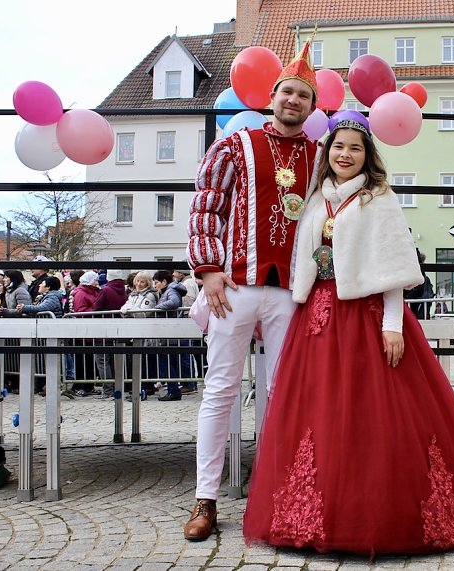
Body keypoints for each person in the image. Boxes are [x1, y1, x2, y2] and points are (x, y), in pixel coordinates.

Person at [242, 115, 454, 554]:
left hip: (367, 316)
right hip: (318, 315)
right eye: (338, 147)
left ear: (367, 155)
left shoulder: (380, 199)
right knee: (322, 409)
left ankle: (379, 512)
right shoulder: (318, 199)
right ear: (328, 152)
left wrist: (393, 325)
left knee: (373, 411)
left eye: (354, 148)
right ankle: (321, 513)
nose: (345, 155)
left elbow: (393, 268)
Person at [183, 38, 323, 541]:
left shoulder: (321, 157)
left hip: (291, 292)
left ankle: (279, 497)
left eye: (303, 97)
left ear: (313, 106)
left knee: (284, 394)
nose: (294, 102)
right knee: (219, 391)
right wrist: (208, 269)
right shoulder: (236, 144)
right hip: (234, 285)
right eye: (287, 92)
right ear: (272, 96)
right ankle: (206, 500)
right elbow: (206, 206)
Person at [92, 269, 130, 398]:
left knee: (102, 360)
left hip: (103, 330)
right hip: (117, 330)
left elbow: (96, 308)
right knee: (115, 360)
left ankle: (107, 390)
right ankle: (116, 387)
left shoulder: (106, 290)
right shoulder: (123, 291)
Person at [152, 269, 188, 401]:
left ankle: (173, 390)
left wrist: (157, 307)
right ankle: (173, 389)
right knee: (168, 362)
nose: (155, 285)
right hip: (170, 332)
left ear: (164, 281)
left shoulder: (170, 290)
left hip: (170, 332)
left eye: (157, 282)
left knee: (167, 362)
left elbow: (174, 303)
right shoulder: (170, 289)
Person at [403, 249, 434, 320]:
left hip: (412, 303)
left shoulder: (418, 275)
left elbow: (418, 290)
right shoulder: (422, 275)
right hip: (415, 305)